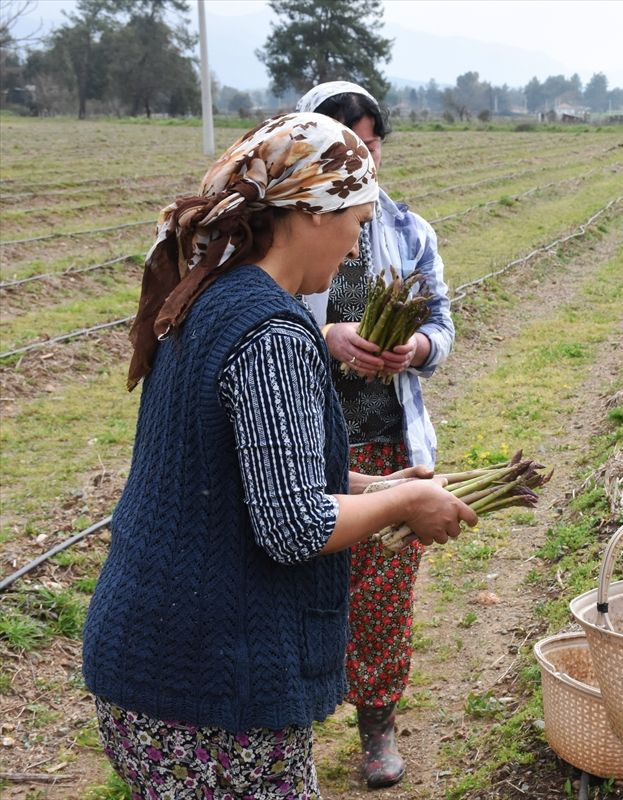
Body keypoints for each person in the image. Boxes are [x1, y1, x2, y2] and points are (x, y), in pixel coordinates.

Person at [82, 112, 477, 799]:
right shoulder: (272, 333)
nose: (357, 249)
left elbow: (252, 470)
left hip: (154, 666)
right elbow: (293, 524)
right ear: (313, 214)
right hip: (204, 689)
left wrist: (377, 484)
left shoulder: (210, 292)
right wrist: (407, 501)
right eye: (356, 223)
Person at [293, 81, 455, 789]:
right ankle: (291, 726)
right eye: (348, 145)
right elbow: (259, 315)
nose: (365, 157)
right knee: (300, 589)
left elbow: (442, 324)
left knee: (383, 595)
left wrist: (414, 349)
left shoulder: (409, 229)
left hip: (388, 443)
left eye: (372, 143)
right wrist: (330, 336)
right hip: (305, 441)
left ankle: (377, 724)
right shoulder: (290, 229)